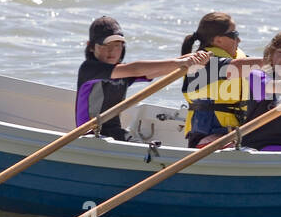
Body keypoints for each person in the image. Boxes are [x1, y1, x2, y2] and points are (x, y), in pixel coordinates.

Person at [75, 16, 208, 141]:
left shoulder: (122, 73)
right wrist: (180, 62)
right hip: (89, 135)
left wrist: (192, 58)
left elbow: (153, 71)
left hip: (113, 133)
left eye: (117, 45)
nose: (112, 51)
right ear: (91, 47)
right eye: (105, 46)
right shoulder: (89, 69)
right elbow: (135, 69)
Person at [180, 12, 265, 148]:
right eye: (234, 35)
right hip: (205, 139)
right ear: (218, 40)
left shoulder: (240, 59)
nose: (239, 40)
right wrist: (274, 61)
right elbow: (234, 67)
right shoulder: (202, 65)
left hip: (234, 134)